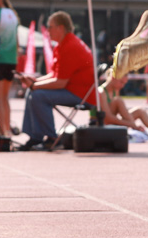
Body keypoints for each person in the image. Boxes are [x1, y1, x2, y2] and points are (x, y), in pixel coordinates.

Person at [18, 11, 96, 150]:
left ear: (60, 28)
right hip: (73, 89)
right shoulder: (63, 44)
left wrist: (35, 85)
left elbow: (60, 82)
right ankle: (35, 137)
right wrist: (35, 82)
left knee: (37, 95)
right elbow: (55, 75)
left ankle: (51, 137)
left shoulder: (70, 46)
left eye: (50, 27)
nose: (48, 30)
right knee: (32, 93)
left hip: (82, 94)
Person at [97, 68, 148, 142]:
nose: (122, 86)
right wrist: (132, 124)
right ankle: (140, 130)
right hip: (103, 125)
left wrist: (129, 123)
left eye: (124, 84)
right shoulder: (101, 92)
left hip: (114, 123)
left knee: (139, 110)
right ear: (113, 78)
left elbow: (121, 113)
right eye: (121, 82)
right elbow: (108, 118)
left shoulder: (115, 90)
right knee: (118, 100)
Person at [0, 0, 19, 137]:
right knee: (5, 98)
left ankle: (3, 132)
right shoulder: (13, 15)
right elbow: (16, 41)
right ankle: (8, 130)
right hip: (11, 60)